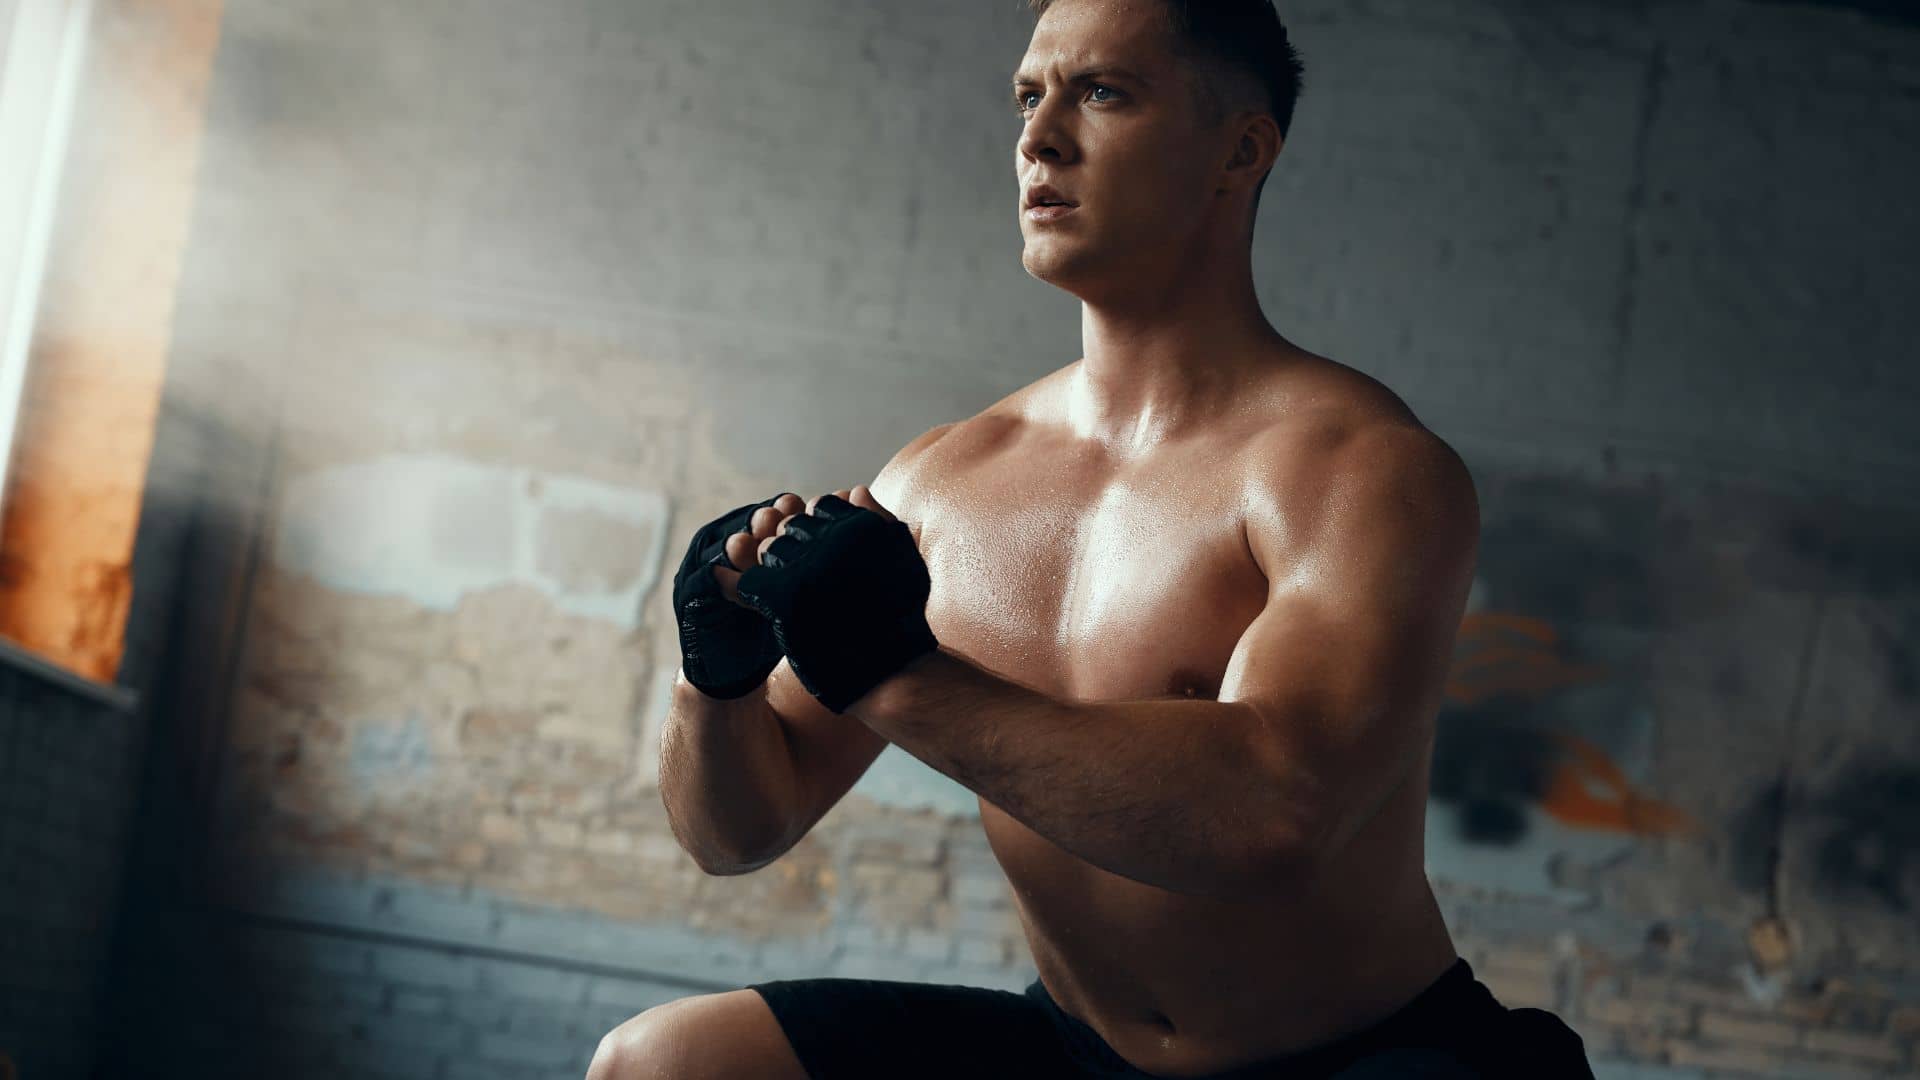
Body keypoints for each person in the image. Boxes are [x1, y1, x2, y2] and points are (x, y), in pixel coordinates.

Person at [590, 0, 1596, 1076]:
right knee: (661, 1063)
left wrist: (893, 675)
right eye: (1029, 95)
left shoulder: (1359, 469)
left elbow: (1272, 809)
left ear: (1241, 149)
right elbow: (737, 832)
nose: (1039, 136)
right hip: (1079, 1051)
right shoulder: (943, 482)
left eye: (1102, 92)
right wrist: (719, 681)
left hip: (1364, 1054)